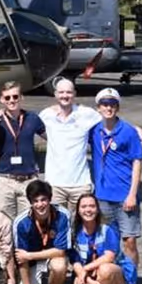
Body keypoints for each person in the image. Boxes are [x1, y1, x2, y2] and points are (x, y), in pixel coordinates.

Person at [89, 87, 142, 284]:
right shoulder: (94, 131)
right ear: (98, 108)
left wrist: (132, 194)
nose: (108, 108)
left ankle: (131, 283)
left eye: (112, 104)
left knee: (129, 241)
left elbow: (137, 162)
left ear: (117, 107)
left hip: (125, 196)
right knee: (109, 244)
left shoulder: (128, 131)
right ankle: (114, 281)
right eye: (104, 104)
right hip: (103, 197)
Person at [39, 78, 101, 215]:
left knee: (81, 223)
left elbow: (110, 121)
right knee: (56, 223)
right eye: (61, 92)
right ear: (55, 94)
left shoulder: (86, 114)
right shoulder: (46, 115)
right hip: (55, 184)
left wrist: (135, 129)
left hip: (80, 184)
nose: (65, 96)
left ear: (74, 94)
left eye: (68, 92)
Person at [70, 193, 136, 284]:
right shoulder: (74, 233)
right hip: (89, 274)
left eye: (92, 206)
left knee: (105, 269)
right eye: (84, 206)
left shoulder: (107, 229)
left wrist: (85, 269)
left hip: (114, 273)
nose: (88, 210)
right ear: (78, 210)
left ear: (97, 209)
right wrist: (88, 279)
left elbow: (109, 257)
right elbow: (75, 261)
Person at [14, 180, 71, 284]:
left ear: (50, 199)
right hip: (32, 264)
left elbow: (60, 250)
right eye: (35, 201)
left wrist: (30, 255)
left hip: (51, 258)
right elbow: (21, 258)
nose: (40, 205)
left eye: (43, 200)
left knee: (60, 265)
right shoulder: (21, 222)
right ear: (31, 203)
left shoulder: (63, 215)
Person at [0, 81, 46, 221]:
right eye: (7, 97)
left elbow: (51, 138)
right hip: (6, 180)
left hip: (28, 180)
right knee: (4, 222)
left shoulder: (32, 118)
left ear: (21, 97)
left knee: (29, 221)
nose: (12, 100)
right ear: (2, 100)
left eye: (15, 96)